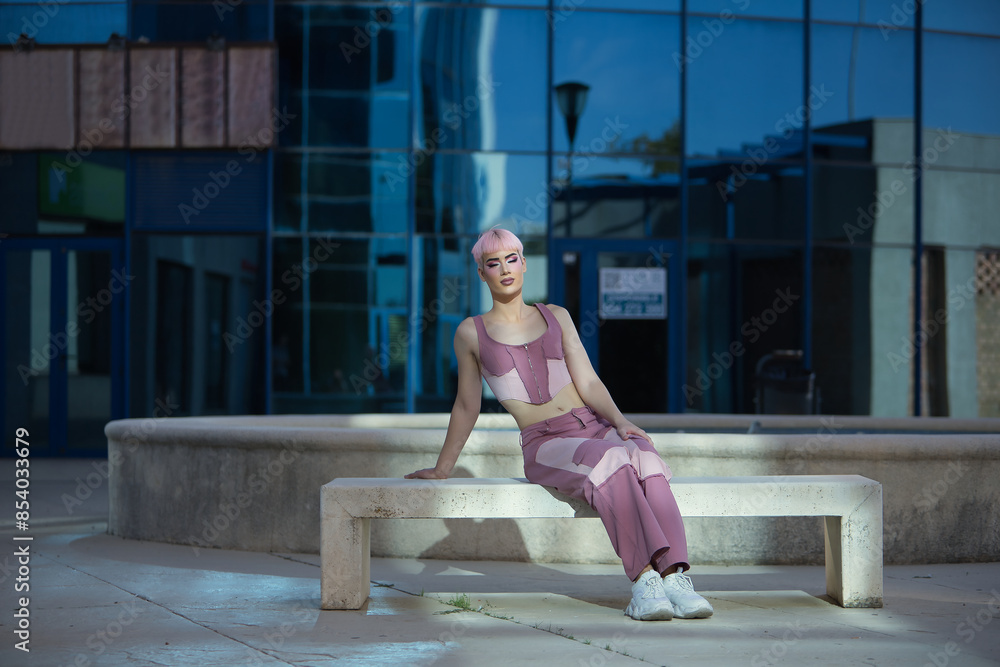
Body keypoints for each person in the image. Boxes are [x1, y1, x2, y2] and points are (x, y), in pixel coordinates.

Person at [405, 227, 713, 621]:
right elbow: (467, 405)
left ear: (524, 264)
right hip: (546, 442)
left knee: (645, 457)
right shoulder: (471, 332)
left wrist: (620, 422)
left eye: (511, 259)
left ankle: (674, 578)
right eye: (493, 263)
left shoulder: (557, 316)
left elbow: (587, 381)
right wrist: (443, 467)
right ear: (481, 273)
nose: (505, 269)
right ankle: (644, 581)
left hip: (594, 426)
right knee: (612, 461)